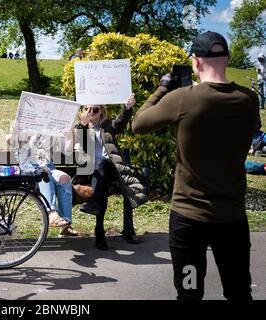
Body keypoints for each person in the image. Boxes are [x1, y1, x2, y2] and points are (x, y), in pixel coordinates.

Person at [132, 31, 259, 300]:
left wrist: (163, 87)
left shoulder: (181, 98)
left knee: (189, 292)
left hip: (189, 220)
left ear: (196, 61)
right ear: (228, 58)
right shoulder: (249, 100)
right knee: (238, 291)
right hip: (232, 219)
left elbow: (139, 123)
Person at [74, 95, 147, 250]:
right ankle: (99, 230)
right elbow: (78, 145)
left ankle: (93, 205)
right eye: (87, 109)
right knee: (103, 184)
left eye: (95, 109)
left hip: (112, 167)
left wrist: (127, 108)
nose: (90, 112)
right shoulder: (81, 127)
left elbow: (120, 122)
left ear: (101, 112)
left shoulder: (108, 126)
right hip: (93, 173)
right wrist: (82, 126)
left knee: (101, 164)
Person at [6, 123, 78, 237]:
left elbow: (67, 150)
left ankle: (66, 224)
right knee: (44, 172)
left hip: (48, 168)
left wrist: (70, 136)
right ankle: (51, 213)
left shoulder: (50, 129)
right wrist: (13, 132)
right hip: (28, 172)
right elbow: (10, 141)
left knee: (64, 178)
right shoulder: (23, 126)